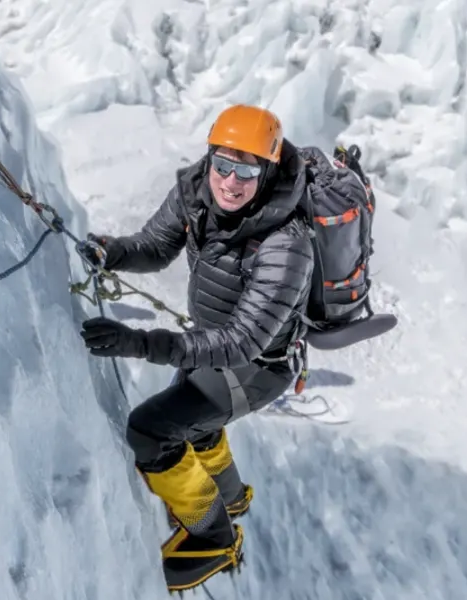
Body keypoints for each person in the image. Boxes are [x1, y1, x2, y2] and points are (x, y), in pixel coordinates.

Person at [76, 104, 315, 592]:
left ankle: (213, 536)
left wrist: (138, 343)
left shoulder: (285, 245)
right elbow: (156, 245)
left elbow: (241, 342)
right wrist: (112, 252)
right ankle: (231, 497)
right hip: (215, 342)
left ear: (267, 171)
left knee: (151, 431)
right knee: (197, 425)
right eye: (222, 163)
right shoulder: (194, 191)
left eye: (246, 170)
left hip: (257, 366)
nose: (230, 180)